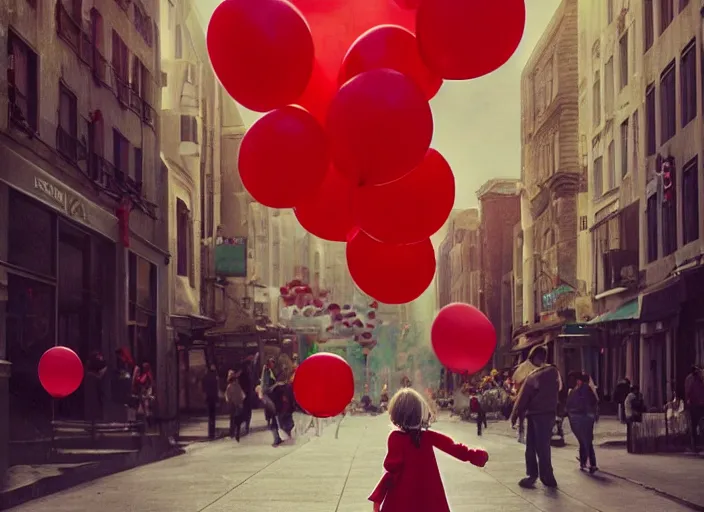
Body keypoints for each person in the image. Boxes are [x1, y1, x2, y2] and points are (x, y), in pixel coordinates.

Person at [368, 388, 489, 512]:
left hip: (402, 499)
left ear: (395, 414)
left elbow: (391, 473)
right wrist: (476, 456)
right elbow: (453, 448)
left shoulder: (396, 438)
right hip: (429, 496)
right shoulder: (427, 436)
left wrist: (378, 498)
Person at [509, 345, 560, 489]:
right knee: (541, 446)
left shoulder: (533, 376)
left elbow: (522, 399)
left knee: (534, 446)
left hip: (535, 414)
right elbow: (559, 389)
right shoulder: (554, 371)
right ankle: (544, 476)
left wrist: (514, 416)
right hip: (548, 413)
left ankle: (538, 475)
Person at [566, 372, 599, 473]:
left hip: (584, 418)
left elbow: (592, 401)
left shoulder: (583, 389)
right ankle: (587, 462)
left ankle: (589, 463)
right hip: (581, 418)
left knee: (585, 441)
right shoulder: (575, 391)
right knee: (585, 441)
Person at [684, 366, 704, 451]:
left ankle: (697, 445)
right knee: (694, 427)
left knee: (699, 426)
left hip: (700, 406)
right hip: (695, 406)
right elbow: (689, 392)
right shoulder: (692, 380)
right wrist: (689, 401)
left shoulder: (700, 381)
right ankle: (694, 445)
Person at [624, 385, 645, 454]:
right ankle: (634, 448)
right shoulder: (632, 396)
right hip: (631, 416)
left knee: (630, 434)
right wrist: (641, 399)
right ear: (635, 390)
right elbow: (636, 405)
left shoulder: (628, 396)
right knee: (633, 434)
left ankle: (630, 448)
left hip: (628, 416)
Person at [225, 369, 245, 441]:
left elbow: (241, 395)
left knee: (234, 418)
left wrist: (229, 401)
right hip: (235, 404)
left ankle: (234, 432)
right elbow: (242, 395)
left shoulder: (233, 386)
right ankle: (234, 432)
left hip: (235, 404)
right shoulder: (233, 386)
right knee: (235, 418)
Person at [202, 365, 220, 440]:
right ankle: (212, 432)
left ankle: (210, 432)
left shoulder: (205, 377)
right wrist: (217, 399)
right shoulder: (215, 378)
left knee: (210, 416)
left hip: (208, 397)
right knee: (213, 415)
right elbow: (216, 389)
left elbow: (203, 388)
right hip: (213, 397)